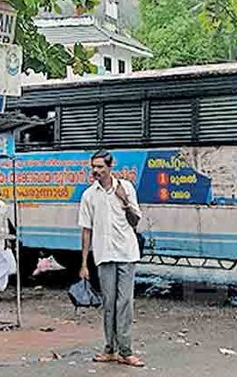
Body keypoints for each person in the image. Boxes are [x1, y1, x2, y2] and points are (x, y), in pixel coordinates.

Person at [79, 150, 145, 368]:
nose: (96, 171)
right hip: (104, 254)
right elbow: (86, 230)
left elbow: (135, 221)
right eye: (94, 167)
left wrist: (124, 201)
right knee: (109, 304)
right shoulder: (89, 195)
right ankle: (110, 349)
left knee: (124, 302)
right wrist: (84, 264)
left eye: (100, 167)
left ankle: (126, 351)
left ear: (110, 167)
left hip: (127, 252)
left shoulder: (126, 188)